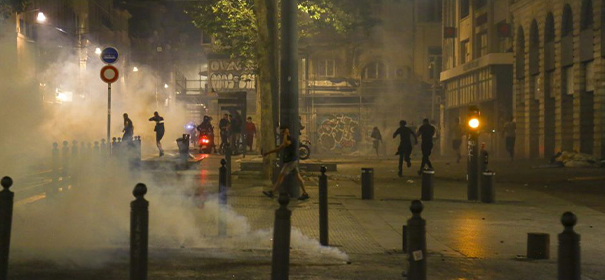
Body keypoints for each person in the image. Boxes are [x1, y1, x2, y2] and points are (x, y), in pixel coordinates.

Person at [262, 125, 310, 200]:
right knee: (298, 178)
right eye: (281, 133)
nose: (282, 134)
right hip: (292, 161)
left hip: (290, 162)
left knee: (281, 175)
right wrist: (268, 153)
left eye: (283, 132)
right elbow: (279, 148)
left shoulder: (291, 139)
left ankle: (272, 192)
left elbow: (286, 144)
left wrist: (286, 134)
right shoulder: (287, 139)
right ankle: (305, 193)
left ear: (286, 131)